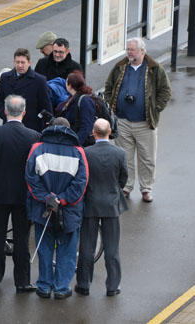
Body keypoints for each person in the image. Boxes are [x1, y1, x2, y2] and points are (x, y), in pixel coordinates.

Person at [0, 95, 41, 293]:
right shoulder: (34, 136)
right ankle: (22, 280)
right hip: (23, 196)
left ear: (5, 111)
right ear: (24, 113)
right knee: (22, 240)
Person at [25, 117, 88, 299]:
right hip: (68, 211)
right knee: (66, 249)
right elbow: (81, 183)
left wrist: (48, 198)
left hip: (43, 208)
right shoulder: (78, 152)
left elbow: (30, 178)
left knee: (44, 248)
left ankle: (44, 286)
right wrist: (63, 200)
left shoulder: (37, 149)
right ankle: (61, 287)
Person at [104, 37, 171, 202]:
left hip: (145, 123)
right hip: (123, 122)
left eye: (132, 50)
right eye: (128, 49)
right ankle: (126, 187)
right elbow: (109, 87)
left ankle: (146, 189)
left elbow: (165, 91)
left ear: (142, 51)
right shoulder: (120, 67)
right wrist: (112, 106)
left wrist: (155, 109)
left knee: (147, 158)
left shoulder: (155, 69)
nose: (129, 52)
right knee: (125, 157)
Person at [75, 119, 128, 297]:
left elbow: (82, 177)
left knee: (87, 247)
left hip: (90, 203)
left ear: (94, 132)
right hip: (111, 204)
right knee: (112, 248)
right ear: (110, 131)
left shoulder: (86, 153)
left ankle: (83, 284)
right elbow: (123, 179)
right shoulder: (119, 153)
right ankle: (112, 286)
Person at [0, 48, 52, 132]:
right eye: (17, 62)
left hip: (31, 128)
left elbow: (45, 105)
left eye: (23, 62)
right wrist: (4, 115)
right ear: (14, 62)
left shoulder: (39, 80)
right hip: (9, 125)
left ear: (29, 63)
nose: (20, 65)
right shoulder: (5, 77)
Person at [55, 70, 96, 146]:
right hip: (71, 139)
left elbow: (86, 126)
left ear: (70, 85)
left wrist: (76, 144)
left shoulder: (85, 101)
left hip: (81, 145)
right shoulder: (72, 98)